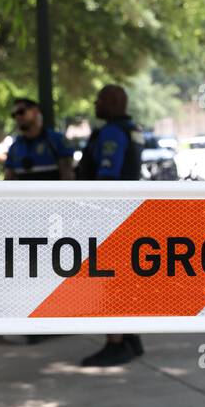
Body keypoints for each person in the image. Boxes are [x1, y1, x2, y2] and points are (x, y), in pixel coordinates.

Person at [77, 84, 144, 367]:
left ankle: (115, 342)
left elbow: (107, 176)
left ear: (115, 102)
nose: (95, 103)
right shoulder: (133, 128)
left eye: (101, 99)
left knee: (109, 279)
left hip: (109, 213)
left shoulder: (112, 133)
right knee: (123, 279)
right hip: (127, 210)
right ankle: (130, 338)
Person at [4, 97, 74, 180]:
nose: (17, 117)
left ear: (35, 111)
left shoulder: (57, 140)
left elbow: (68, 177)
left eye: (21, 112)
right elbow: (8, 180)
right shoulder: (14, 148)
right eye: (14, 115)